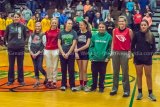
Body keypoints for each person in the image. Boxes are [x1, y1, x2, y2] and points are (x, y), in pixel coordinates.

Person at [131, 20, 156, 101]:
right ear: (140, 26)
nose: (143, 26)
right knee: (139, 76)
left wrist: (149, 55)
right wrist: (136, 54)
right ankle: (140, 93)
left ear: (147, 26)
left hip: (147, 59)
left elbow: (154, 48)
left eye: (145, 25)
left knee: (148, 76)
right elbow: (132, 46)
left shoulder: (151, 35)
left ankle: (150, 93)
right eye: (142, 25)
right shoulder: (137, 34)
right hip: (138, 59)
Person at [110, 16, 133, 97]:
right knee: (115, 71)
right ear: (118, 22)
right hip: (115, 52)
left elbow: (131, 42)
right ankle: (114, 88)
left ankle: (126, 90)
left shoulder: (129, 31)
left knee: (124, 72)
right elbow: (113, 41)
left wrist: (130, 52)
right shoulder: (114, 30)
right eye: (120, 21)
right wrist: (111, 51)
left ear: (125, 22)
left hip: (124, 52)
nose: (121, 23)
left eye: (122, 21)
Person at [88, 22, 112, 92]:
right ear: (98, 28)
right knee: (94, 74)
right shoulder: (94, 36)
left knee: (102, 74)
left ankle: (101, 87)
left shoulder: (109, 37)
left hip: (103, 59)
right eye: (100, 27)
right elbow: (91, 47)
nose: (101, 28)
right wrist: (91, 56)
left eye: (103, 27)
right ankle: (94, 86)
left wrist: (107, 57)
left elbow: (110, 48)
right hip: (95, 59)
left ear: (105, 28)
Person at [5, 13, 27, 86]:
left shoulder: (23, 27)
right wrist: (8, 45)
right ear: (13, 18)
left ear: (19, 18)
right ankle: (10, 80)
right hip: (11, 49)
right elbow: (6, 36)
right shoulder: (9, 26)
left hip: (20, 49)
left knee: (20, 65)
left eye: (17, 17)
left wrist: (21, 43)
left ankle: (21, 80)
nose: (16, 18)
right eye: (15, 17)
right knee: (11, 65)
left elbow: (25, 36)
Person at [58, 19, 78, 92]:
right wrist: (63, 53)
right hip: (62, 54)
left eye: (71, 24)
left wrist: (68, 53)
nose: (70, 25)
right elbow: (59, 43)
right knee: (63, 70)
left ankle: (72, 85)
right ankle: (63, 85)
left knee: (71, 70)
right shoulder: (61, 32)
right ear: (65, 24)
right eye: (69, 23)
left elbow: (74, 44)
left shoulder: (74, 33)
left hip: (71, 54)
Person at [28, 22, 47, 88]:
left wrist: (37, 53)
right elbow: (29, 44)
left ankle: (46, 75)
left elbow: (44, 45)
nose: (37, 27)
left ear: (41, 27)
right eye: (36, 26)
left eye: (39, 26)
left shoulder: (43, 34)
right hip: (32, 53)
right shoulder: (32, 34)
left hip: (39, 53)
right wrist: (31, 52)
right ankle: (37, 80)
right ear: (35, 27)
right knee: (35, 67)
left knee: (39, 67)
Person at [75, 20, 92, 91]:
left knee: (84, 69)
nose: (80, 26)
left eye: (81, 25)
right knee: (80, 70)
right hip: (78, 54)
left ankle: (85, 85)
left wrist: (78, 50)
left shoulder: (88, 33)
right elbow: (75, 43)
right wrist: (76, 52)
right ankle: (81, 85)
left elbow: (87, 45)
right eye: (79, 25)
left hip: (85, 53)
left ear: (85, 25)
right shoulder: (77, 33)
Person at [44, 18, 60, 89]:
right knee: (48, 66)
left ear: (57, 24)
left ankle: (54, 81)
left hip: (55, 50)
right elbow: (45, 41)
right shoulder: (47, 31)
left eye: (55, 23)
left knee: (55, 66)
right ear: (50, 23)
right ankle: (49, 80)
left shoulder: (59, 32)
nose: (54, 24)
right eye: (53, 23)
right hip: (47, 50)